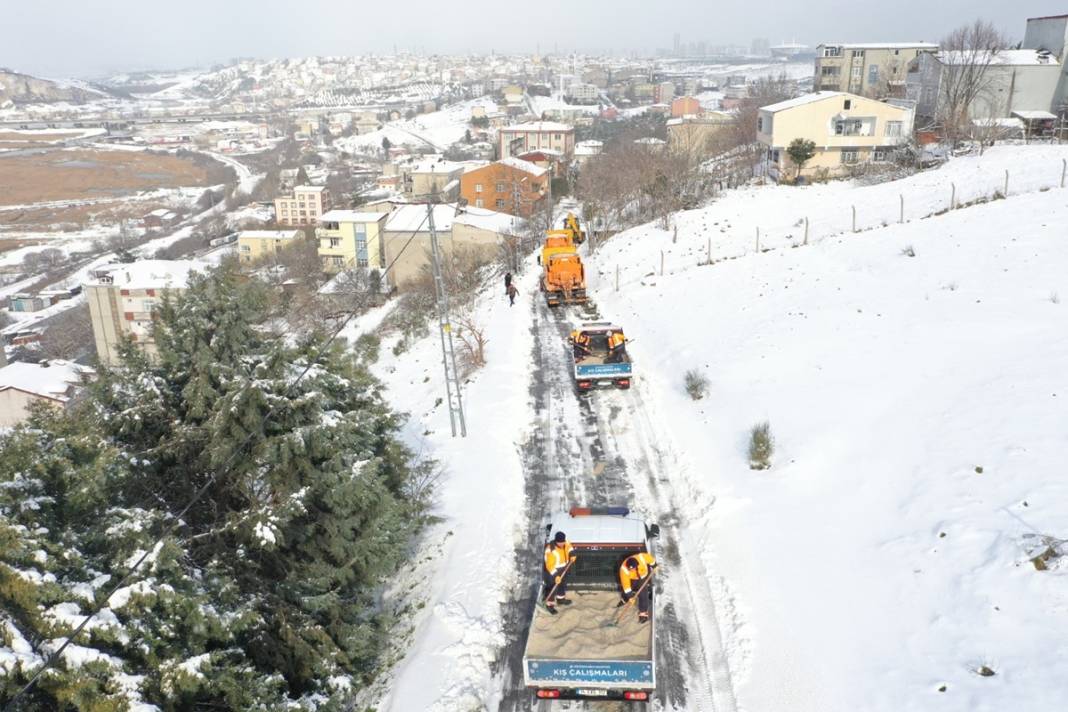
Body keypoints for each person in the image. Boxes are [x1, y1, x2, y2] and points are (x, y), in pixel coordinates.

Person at [617, 552, 657, 623]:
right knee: (628, 591)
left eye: (634, 568)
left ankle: (643, 612)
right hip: (631, 578)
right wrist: (630, 597)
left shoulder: (642, 557)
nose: (632, 570)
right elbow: (626, 586)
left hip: (642, 577)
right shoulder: (623, 570)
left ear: (637, 564)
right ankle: (625, 599)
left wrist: (655, 566)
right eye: (630, 569)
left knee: (643, 594)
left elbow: (651, 560)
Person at [543, 531, 576, 614]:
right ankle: (549, 605)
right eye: (559, 542)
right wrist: (556, 576)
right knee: (552, 587)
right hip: (553, 571)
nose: (562, 544)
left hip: (564, 568)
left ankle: (560, 599)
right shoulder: (550, 550)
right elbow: (549, 565)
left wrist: (572, 554)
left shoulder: (565, 542)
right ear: (556, 541)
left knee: (562, 584)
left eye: (563, 542)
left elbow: (570, 547)